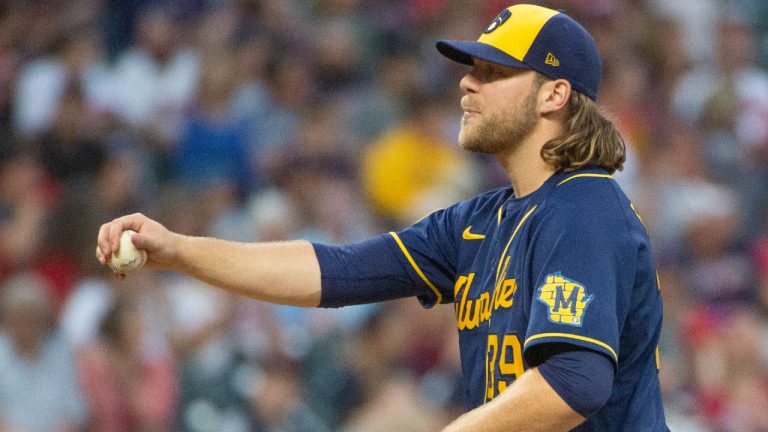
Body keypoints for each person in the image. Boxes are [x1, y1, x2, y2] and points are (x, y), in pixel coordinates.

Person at [96, 4, 669, 431]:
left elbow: (576, 382)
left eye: (495, 72)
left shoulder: (586, 208)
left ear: (554, 95)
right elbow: (334, 272)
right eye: (472, 68)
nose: (468, 81)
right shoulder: (481, 220)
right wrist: (178, 250)